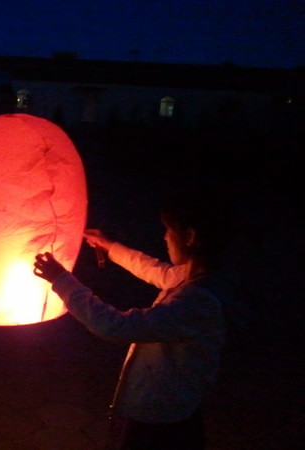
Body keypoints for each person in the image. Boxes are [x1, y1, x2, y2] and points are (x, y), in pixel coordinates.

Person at [33, 184, 247, 450]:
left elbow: (116, 326)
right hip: (164, 411)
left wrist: (62, 281)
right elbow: (153, 269)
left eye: (169, 231)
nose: (165, 238)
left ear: (189, 236)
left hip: (162, 423)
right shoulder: (195, 279)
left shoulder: (200, 302)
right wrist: (109, 246)